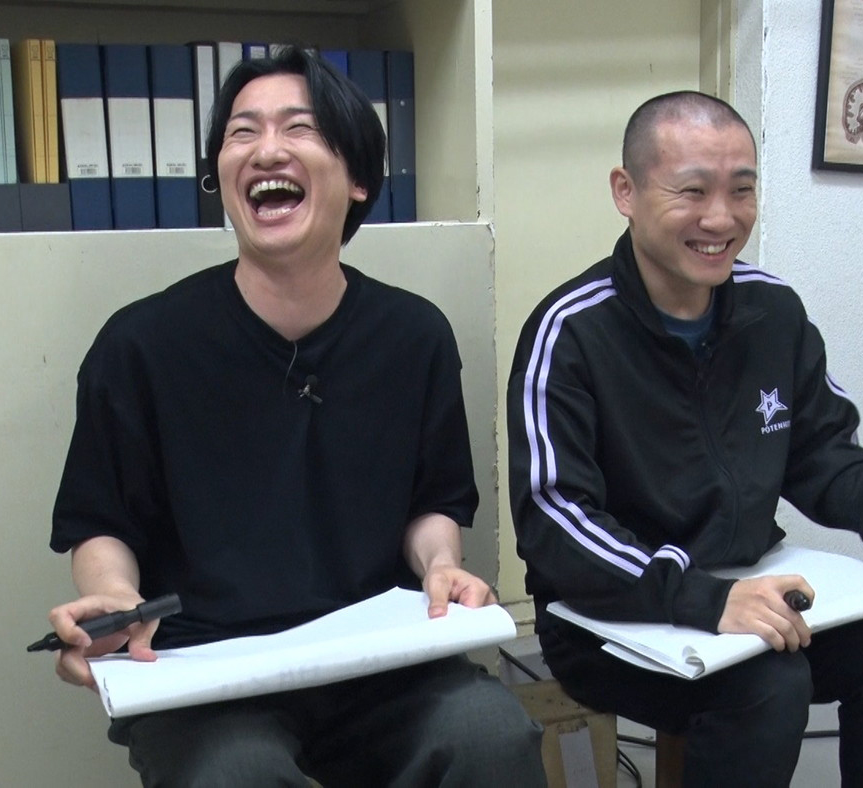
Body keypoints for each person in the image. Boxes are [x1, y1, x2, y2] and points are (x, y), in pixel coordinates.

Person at [45, 47, 545, 787]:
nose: (266, 150)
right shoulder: (140, 344)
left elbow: (432, 502)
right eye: (242, 133)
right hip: (209, 673)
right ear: (220, 178)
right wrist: (116, 598)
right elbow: (101, 520)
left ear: (358, 178)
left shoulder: (414, 337)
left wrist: (441, 566)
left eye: (298, 128)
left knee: (491, 734)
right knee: (238, 774)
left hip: (381, 665)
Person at [507, 90, 863, 787]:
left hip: (746, 583)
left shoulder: (772, 311)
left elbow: (822, 452)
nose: (721, 218)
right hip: (606, 617)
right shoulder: (570, 331)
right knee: (768, 684)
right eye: (692, 191)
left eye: (742, 190)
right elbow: (555, 523)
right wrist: (701, 599)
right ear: (626, 191)